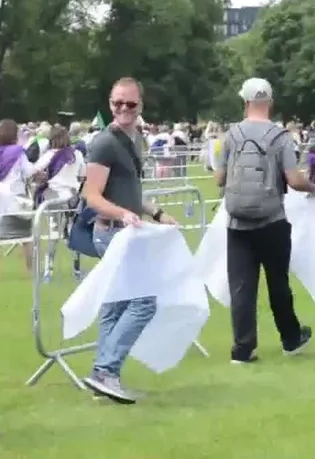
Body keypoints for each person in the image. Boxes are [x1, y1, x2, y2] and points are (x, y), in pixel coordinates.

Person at [80, 77, 178, 404]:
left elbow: (130, 192)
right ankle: (105, 370)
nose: (123, 109)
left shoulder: (135, 139)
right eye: (117, 103)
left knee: (117, 304)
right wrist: (123, 214)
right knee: (144, 301)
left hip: (124, 230)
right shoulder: (104, 143)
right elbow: (91, 195)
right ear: (109, 104)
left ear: (140, 106)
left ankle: (103, 377)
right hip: (111, 232)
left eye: (130, 104)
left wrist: (156, 211)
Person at [214, 78, 315, 365]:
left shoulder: (231, 135)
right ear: (269, 102)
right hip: (272, 219)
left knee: (242, 287)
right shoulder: (280, 136)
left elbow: (219, 178)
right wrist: (313, 189)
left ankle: (243, 349)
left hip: (237, 223)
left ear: (245, 102)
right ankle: (290, 337)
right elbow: (294, 180)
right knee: (278, 282)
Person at [0, 119, 36, 279]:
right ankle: (29, 270)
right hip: (16, 197)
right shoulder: (18, 152)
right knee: (26, 236)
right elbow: (29, 172)